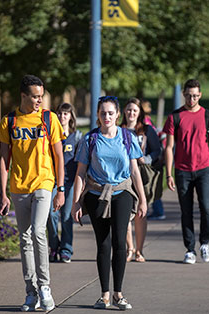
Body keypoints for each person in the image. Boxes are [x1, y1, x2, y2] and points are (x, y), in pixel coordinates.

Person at [0, 75, 65, 312]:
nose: (39, 100)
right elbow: (4, 160)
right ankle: (30, 292)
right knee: (24, 238)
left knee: (37, 232)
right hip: (18, 187)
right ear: (23, 96)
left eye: (41, 96)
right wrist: (3, 193)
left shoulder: (49, 118)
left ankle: (45, 288)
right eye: (35, 96)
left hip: (44, 183)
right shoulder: (10, 121)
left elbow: (59, 157)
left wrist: (61, 189)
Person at [71, 96, 147, 310]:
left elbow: (134, 170)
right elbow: (80, 173)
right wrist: (76, 203)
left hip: (122, 192)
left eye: (110, 113)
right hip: (97, 194)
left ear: (117, 115)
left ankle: (118, 294)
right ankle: (104, 294)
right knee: (103, 243)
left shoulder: (127, 137)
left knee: (120, 244)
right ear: (98, 115)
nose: (106, 117)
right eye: (103, 113)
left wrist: (142, 199)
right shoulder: (90, 139)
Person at [163, 79, 209, 264]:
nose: (192, 99)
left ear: (200, 95)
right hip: (183, 171)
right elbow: (169, 147)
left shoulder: (208, 117)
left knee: (207, 207)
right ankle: (190, 250)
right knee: (186, 211)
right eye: (189, 96)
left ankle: (204, 243)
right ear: (184, 94)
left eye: (196, 96)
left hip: (204, 169)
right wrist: (169, 174)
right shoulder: (175, 117)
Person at [121, 98, 163, 263]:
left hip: (141, 176)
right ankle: (129, 249)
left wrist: (146, 159)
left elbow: (157, 150)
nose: (131, 113)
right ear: (124, 112)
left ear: (140, 113)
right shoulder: (118, 130)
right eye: (129, 110)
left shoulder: (146, 130)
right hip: (122, 177)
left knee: (140, 214)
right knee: (123, 215)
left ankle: (139, 250)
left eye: (135, 111)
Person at [47, 102, 82, 263]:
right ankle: (54, 247)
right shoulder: (50, 136)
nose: (62, 116)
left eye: (66, 114)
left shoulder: (77, 137)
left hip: (70, 183)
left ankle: (66, 249)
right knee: (51, 214)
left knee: (67, 216)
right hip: (52, 181)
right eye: (60, 113)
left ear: (71, 116)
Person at [141, 100, 166, 221]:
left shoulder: (145, 123)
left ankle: (158, 211)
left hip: (149, 160)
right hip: (153, 159)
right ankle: (157, 210)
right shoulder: (149, 120)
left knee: (151, 186)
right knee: (152, 186)